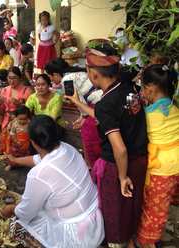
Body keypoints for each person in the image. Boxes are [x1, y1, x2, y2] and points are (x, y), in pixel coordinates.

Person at [66, 41, 148, 248]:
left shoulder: (106, 102)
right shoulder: (129, 90)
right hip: (139, 160)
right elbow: (107, 117)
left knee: (115, 210)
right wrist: (78, 102)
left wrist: (121, 177)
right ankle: (131, 238)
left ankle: (117, 243)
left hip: (118, 165)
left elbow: (119, 148)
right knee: (132, 204)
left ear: (93, 73)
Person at [0, 115, 105, 248]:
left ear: (32, 142)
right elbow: (39, 159)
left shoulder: (37, 175)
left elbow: (26, 213)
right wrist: (14, 160)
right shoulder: (68, 148)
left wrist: (10, 209)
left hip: (76, 234)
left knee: (16, 225)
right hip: (95, 220)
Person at [135, 64, 179, 248]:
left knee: (153, 210)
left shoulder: (147, 115)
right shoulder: (175, 108)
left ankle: (148, 242)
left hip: (160, 168)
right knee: (164, 204)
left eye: (142, 87)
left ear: (149, 89)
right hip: (175, 162)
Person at [45, 57, 103, 168]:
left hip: (97, 104)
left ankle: (90, 164)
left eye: (50, 76)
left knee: (87, 129)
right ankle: (88, 163)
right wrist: (82, 117)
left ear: (56, 74)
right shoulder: (75, 72)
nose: (51, 80)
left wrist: (84, 117)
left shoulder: (66, 80)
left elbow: (78, 101)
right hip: (97, 102)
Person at [0, 67, 34, 154]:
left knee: (18, 146)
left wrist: (21, 106)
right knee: (1, 150)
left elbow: (30, 112)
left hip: (21, 121)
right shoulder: (4, 90)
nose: (12, 80)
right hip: (6, 120)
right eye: (9, 78)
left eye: (15, 78)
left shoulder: (27, 91)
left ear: (20, 77)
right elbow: (3, 112)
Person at [5, 105, 31, 171]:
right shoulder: (15, 125)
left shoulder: (29, 123)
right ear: (16, 117)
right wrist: (16, 142)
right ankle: (11, 164)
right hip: (17, 143)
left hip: (26, 142)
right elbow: (12, 134)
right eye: (20, 119)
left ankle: (24, 163)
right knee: (14, 154)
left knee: (25, 154)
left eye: (25, 119)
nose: (22, 121)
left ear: (28, 117)